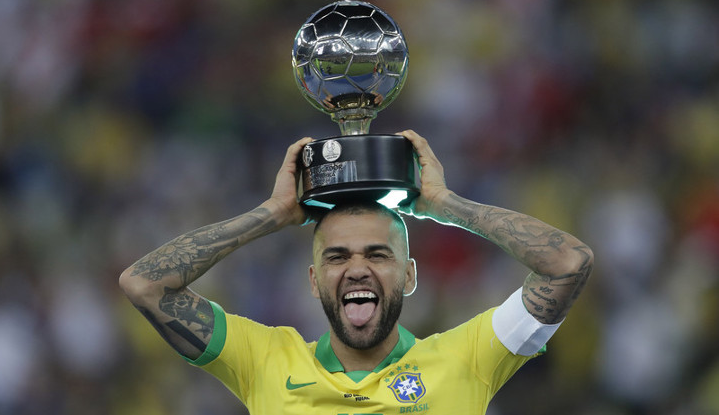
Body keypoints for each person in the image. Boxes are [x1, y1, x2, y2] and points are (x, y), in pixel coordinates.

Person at [119, 130, 594, 414]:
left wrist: (445, 206)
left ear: (409, 275)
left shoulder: (464, 359)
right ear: (312, 280)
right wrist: (273, 213)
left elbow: (568, 264)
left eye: (378, 254)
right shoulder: (265, 361)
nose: (358, 269)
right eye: (337, 256)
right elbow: (144, 284)